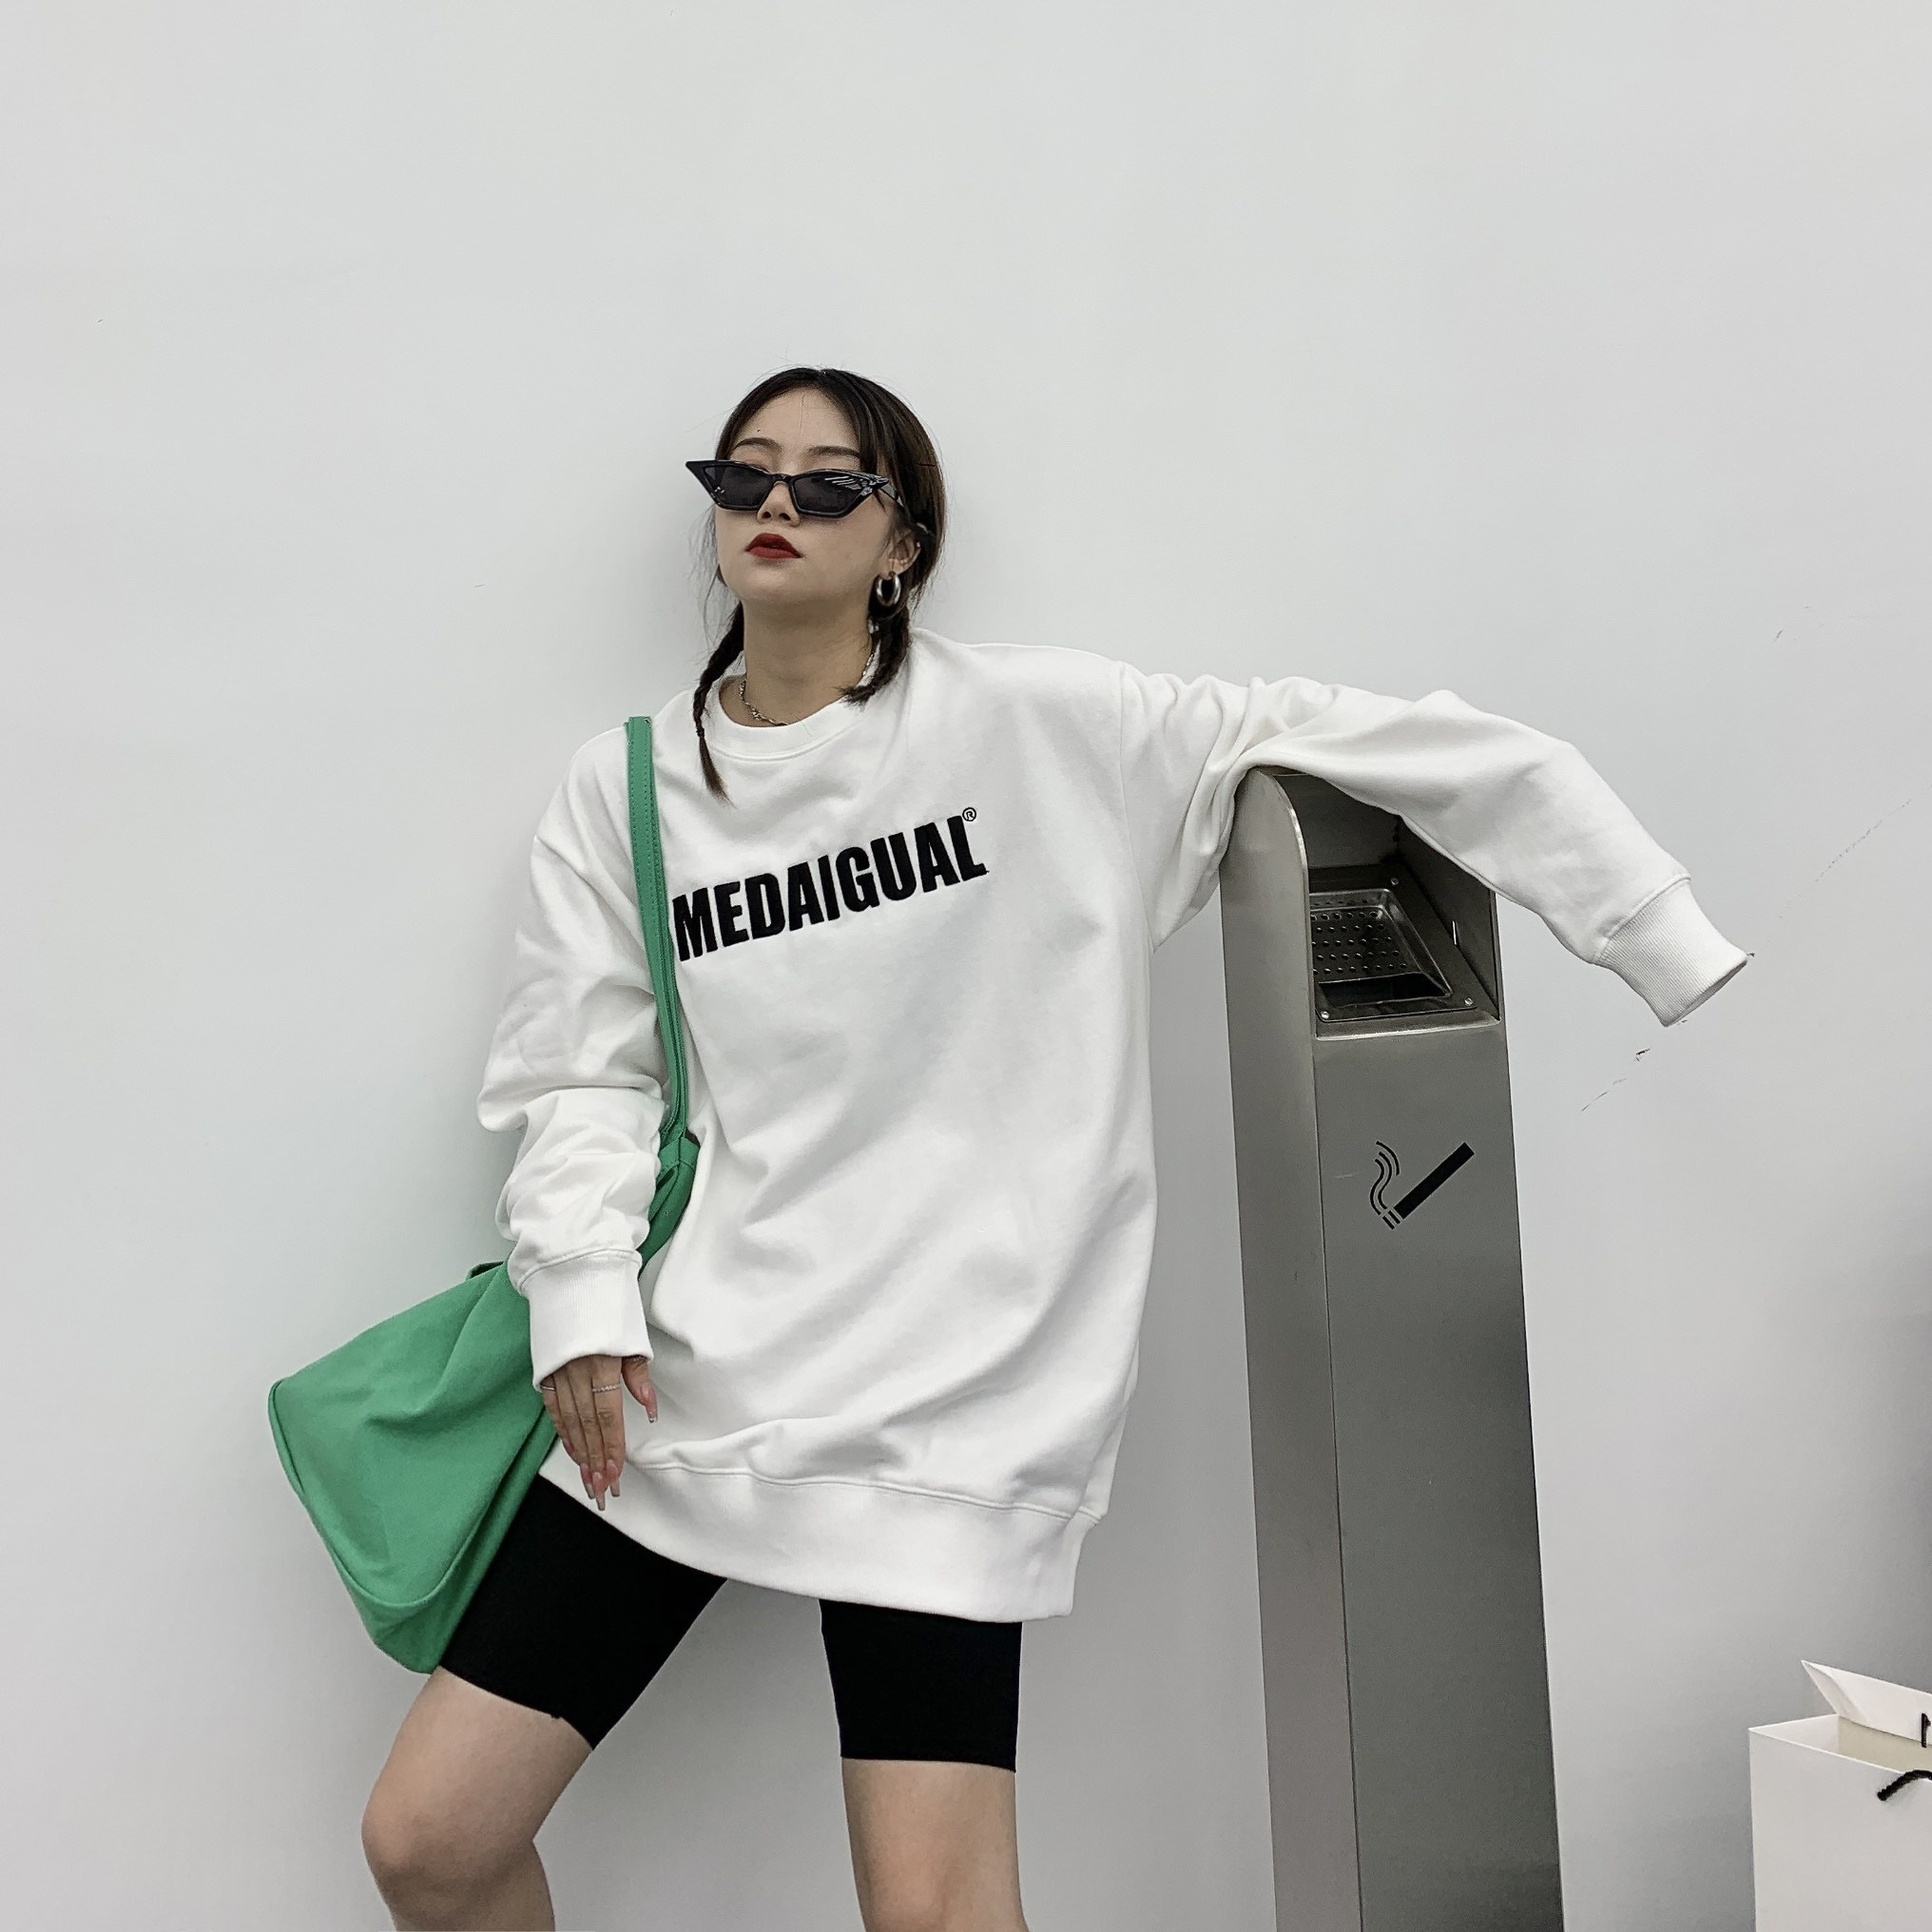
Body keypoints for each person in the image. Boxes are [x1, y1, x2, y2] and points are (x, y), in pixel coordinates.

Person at [357, 367, 1748, 1931]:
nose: (777, 505)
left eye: (829, 482)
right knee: (432, 1839)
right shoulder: (628, 789)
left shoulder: (1040, 729)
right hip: (693, 1373)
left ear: (902, 541)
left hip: (951, 1396)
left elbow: (1368, 737)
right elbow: (581, 1072)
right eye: (744, 475)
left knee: (936, 1914)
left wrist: (1649, 926)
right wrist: (580, 1298)